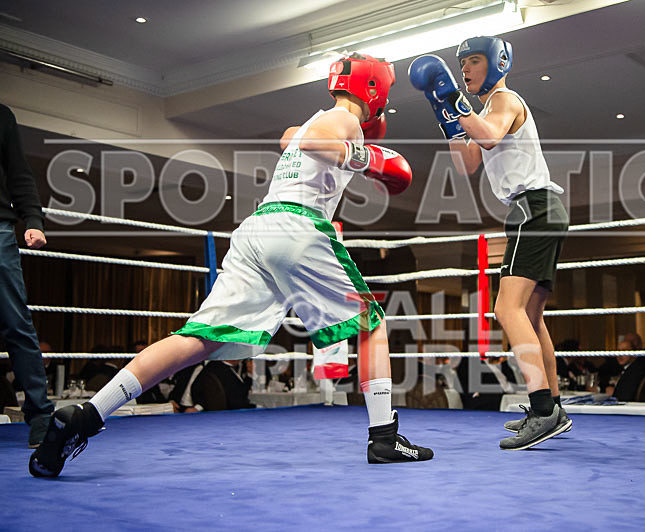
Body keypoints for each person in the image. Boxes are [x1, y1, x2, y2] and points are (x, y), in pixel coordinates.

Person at [29, 53, 432, 477]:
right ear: (375, 89)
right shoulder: (345, 121)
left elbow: (292, 138)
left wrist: (342, 149)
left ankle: (87, 415)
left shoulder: (314, 121)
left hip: (257, 232)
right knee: (371, 321)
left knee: (198, 339)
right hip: (297, 226)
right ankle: (385, 437)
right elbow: (315, 143)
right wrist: (369, 160)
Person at [409, 37, 570, 450]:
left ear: (497, 63)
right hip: (538, 209)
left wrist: (454, 101)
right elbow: (468, 163)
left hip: (532, 207)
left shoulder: (505, 100)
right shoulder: (482, 110)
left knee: (506, 307)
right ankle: (551, 407)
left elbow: (492, 135)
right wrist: (444, 112)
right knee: (531, 316)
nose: (465, 69)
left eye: (474, 61)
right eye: (462, 63)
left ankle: (541, 408)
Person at [0, 103, 55, 448]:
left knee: (16, 323)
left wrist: (33, 220)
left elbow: (19, 171)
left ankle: (40, 416)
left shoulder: (1, 116)